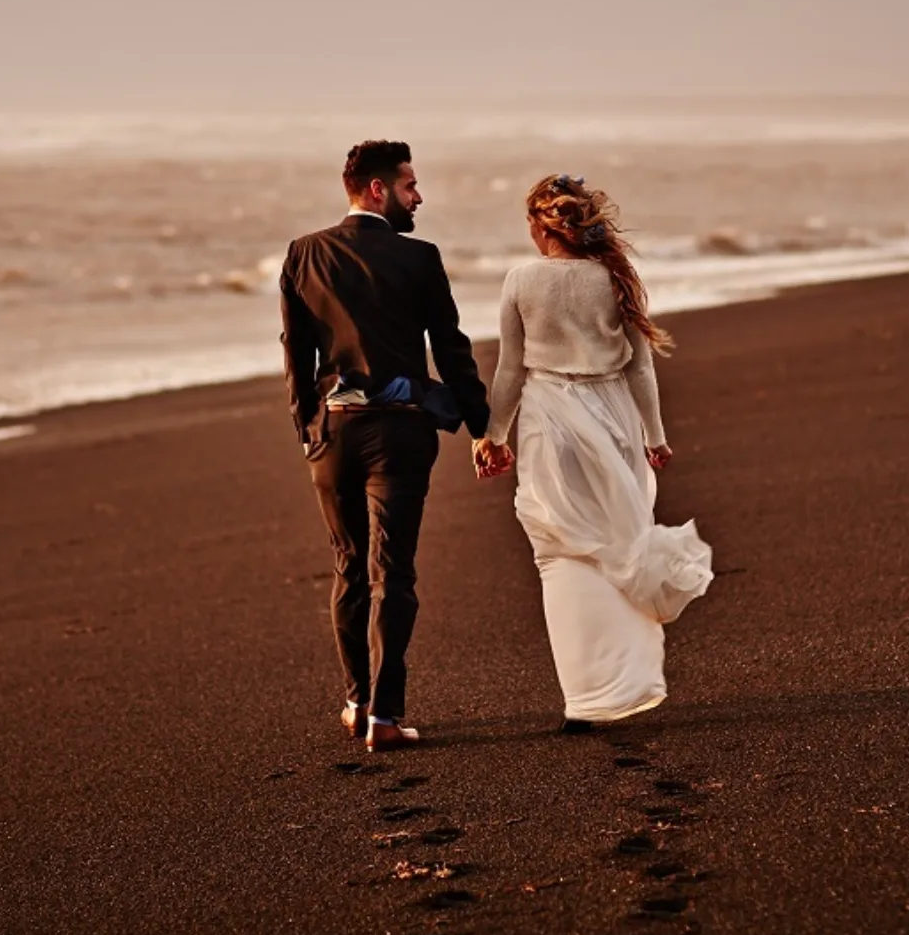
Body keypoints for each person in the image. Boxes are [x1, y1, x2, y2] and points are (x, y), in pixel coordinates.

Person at [475, 174, 713, 731]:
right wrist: (655, 436)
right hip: (614, 419)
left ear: (541, 226)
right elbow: (639, 366)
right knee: (620, 539)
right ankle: (627, 681)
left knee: (559, 552)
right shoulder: (614, 278)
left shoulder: (521, 279)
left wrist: (494, 435)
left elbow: (510, 369)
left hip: (549, 418)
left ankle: (586, 699)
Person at [279, 140, 492, 752]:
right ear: (378, 190)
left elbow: (295, 353)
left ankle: (356, 701)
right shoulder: (420, 259)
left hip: (335, 435)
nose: (418, 197)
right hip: (400, 433)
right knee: (393, 573)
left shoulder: (304, 253)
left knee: (348, 568)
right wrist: (481, 428)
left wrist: (307, 431)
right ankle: (386, 716)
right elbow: (451, 350)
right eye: (409, 186)